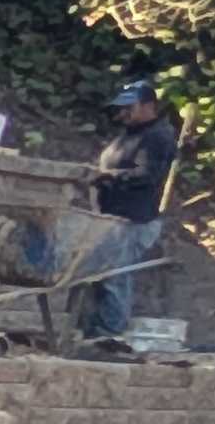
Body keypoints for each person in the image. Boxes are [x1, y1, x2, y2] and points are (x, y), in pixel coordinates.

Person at [77, 72, 188, 343]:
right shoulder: (131, 135)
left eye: (130, 107)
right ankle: (96, 330)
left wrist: (106, 177)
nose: (123, 113)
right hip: (113, 218)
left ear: (149, 106)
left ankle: (110, 334)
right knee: (100, 274)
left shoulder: (156, 137)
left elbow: (146, 175)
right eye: (121, 107)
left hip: (133, 220)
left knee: (114, 276)